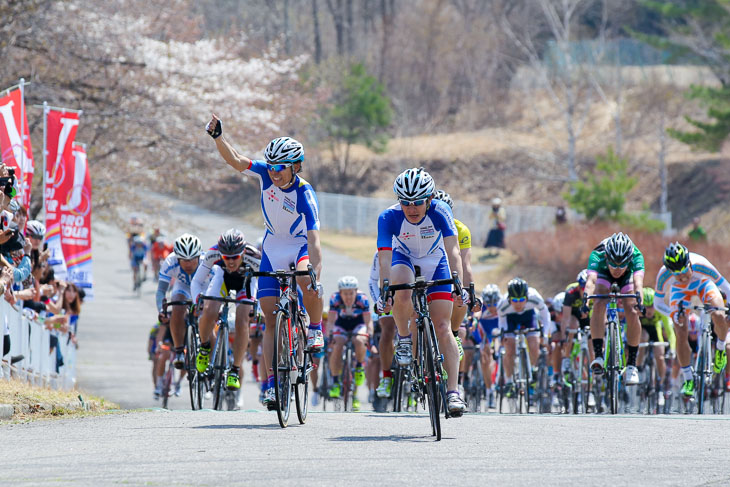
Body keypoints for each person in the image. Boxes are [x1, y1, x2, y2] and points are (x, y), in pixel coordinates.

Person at [206, 114, 324, 409]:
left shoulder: (304, 193)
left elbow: (315, 240)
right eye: (271, 167)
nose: (274, 173)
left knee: (303, 278)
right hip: (273, 246)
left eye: (281, 168)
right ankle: (271, 384)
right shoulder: (263, 174)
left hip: (299, 246)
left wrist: (314, 276)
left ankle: (315, 328)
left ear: (296, 166)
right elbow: (235, 160)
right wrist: (218, 137)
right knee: (270, 317)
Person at [376, 167, 468, 416]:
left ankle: (453, 392)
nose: (411, 208)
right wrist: (385, 291)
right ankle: (404, 339)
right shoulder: (388, 217)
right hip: (404, 258)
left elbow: (453, 251)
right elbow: (384, 260)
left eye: (417, 202)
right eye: (405, 202)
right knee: (401, 291)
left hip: (436, 262)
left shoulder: (441, 211)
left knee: (442, 327)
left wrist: (458, 283)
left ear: (429, 199)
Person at [654, 242, 729, 397]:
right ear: (669, 271)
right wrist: (673, 314)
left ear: (689, 263)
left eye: (684, 271)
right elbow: (658, 303)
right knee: (680, 328)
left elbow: (725, 287)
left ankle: (720, 349)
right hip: (680, 292)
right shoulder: (663, 275)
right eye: (677, 274)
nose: (682, 277)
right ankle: (688, 379)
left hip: (703, 284)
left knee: (719, 314)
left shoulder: (701, 264)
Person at [191, 229, 261, 391]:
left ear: (243, 252)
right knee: (209, 309)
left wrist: (257, 307)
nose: (230, 262)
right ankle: (204, 346)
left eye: (235, 257)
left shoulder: (255, 257)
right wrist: (197, 302)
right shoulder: (213, 253)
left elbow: (264, 286)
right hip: (222, 279)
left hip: (246, 283)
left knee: (242, 319)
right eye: (226, 257)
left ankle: (235, 370)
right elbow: (196, 282)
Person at [583, 232, 644, 385]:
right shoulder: (598, 253)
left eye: (622, 264)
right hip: (604, 274)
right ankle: (598, 355)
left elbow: (638, 284)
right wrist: (585, 302)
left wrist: (640, 302)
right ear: (607, 256)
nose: (617, 268)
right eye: (614, 263)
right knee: (598, 302)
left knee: (631, 308)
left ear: (629, 259)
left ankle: (631, 365)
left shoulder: (636, 256)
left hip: (628, 278)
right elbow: (590, 281)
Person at [433, 190, 481, 364]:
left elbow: (465, 264)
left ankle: (454, 335)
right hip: (427, 273)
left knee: (463, 294)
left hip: (450, 273)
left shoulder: (460, 229)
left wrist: (471, 294)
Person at [155, 233, 203, 372]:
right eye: (184, 260)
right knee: (176, 305)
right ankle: (180, 351)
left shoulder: (206, 262)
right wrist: (161, 311)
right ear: (177, 258)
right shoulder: (169, 262)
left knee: (208, 312)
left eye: (192, 259)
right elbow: (161, 292)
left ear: (199, 256)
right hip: (182, 286)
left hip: (203, 286)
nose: (188, 264)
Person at [497, 277, 551, 397]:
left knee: (534, 344)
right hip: (510, 319)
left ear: (527, 297)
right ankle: (509, 381)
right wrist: (504, 338)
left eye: (522, 299)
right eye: (514, 300)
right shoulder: (502, 305)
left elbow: (545, 316)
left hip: (528, 317)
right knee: (509, 349)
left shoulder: (535, 298)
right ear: (509, 299)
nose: (518, 303)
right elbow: (502, 325)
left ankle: (533, 370)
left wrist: (545, 335)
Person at [326, 276, 373, 411]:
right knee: (338, 344)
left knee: (359, 340)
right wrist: (330, 337)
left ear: (356, 292)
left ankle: (359, 366)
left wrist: (369, 336)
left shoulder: (362, 299)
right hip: (341, 324)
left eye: (351, 293)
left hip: (358, 324)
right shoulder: (335, 299)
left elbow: (368, 321)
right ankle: (335, 382)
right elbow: (330, 322)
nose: (348, 297)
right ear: (340, 293)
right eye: (345, 293)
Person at [637, 287, 675, 406]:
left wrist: (673, 349)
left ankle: (659, 385)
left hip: (655, 330)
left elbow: (670, 332)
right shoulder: (638, 311)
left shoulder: (661, 310)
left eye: (651, 306)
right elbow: (629, 328)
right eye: (645, 307)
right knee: (643, 336)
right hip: (641, 331)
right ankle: (639, 367)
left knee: (660, 356)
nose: (648, 310)